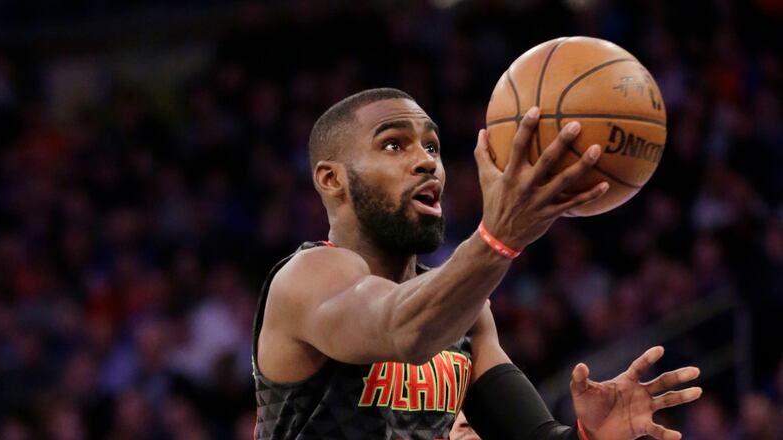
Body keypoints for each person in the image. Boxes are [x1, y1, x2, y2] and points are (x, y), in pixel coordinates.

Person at [252, 88, 702, 440]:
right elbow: (404, 331)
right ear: (332, 180)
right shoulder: (306, 278)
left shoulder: (468, 311)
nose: (425, 162)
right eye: (393, 145)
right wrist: (499, 236)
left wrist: (591, 433)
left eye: (432, 146)